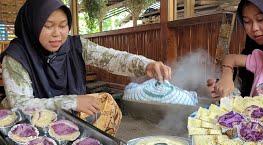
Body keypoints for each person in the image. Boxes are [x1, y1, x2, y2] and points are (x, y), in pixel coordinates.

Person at [0, 0, 171, 135]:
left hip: (63, 115)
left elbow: (111, 58)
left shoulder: (75, 46)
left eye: (62, 25)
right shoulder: (16, 57)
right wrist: (73, 101)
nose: (57, 33)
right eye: (48, 25)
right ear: (33, 25)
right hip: (26, 125)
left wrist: (145, 64)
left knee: (106, 105)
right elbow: (21, 105)